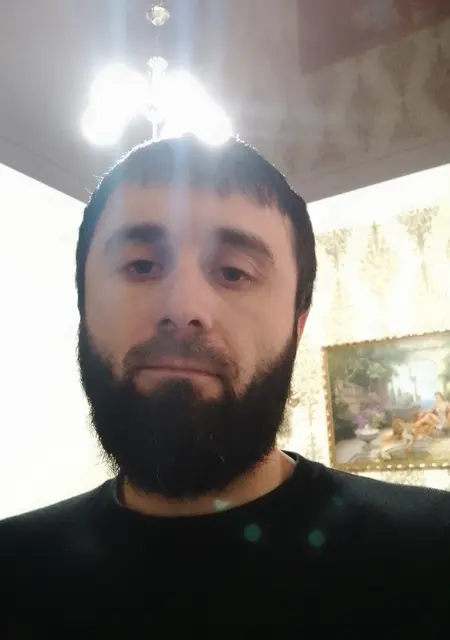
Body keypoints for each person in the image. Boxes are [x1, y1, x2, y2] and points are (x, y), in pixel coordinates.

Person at [1, 135, 449, 632]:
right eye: (141, 265)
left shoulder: (433, 554)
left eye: (234, 272)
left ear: (297, 325)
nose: (182, 308)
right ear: (84, 309)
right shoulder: (12, 569)